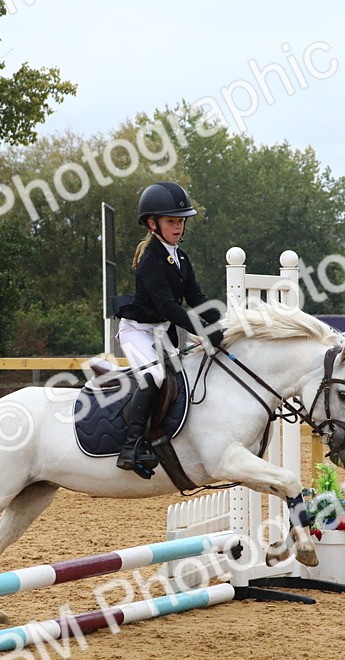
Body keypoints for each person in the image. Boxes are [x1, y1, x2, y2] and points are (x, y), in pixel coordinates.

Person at [113, 181, 224, 474]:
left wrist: (225, 320)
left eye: (180, 221)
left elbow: (196, 298)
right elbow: (168, 308)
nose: (178, 227)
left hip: (161, 332)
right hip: (137, 331)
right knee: (155, 374)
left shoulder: (181, 258)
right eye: (171, 221)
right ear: (153, 224)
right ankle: (131, 446)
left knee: (183, 376)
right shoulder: (151, 259)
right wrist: (203, 330)